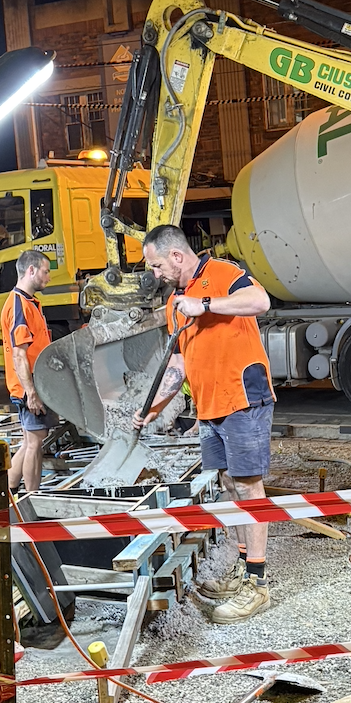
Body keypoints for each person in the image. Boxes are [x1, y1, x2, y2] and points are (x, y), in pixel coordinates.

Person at [133, 223, 274, 624]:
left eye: (158, 264)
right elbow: (178, 361)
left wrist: (206, 304)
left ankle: (257, 585)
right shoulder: (174, 300)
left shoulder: (223, 274)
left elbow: (260, 301)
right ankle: (245, 567)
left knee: (249, 487)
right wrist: (156, 406)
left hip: (242, 398)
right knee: (230, 484)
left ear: (176, 256)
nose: (155, 273)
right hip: (210, 406)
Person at [0, 249, 58, 496]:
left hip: (34, 382)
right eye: (45, 271)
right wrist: (31, 393)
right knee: (35, 442)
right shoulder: (19, 305)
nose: (48, 277)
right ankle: (32, 498)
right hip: (29, 385)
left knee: (30, 440)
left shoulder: (29, 302)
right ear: (31, 270)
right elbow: (19, 354)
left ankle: (7, 490)